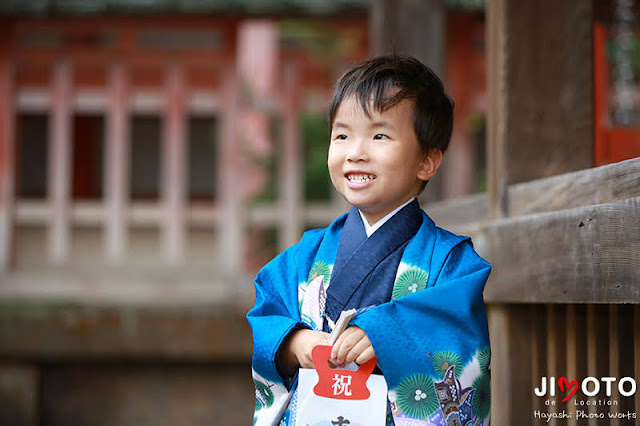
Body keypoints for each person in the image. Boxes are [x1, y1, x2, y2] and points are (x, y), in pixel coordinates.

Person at [247, 54, 492, 426]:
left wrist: (385, 335)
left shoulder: (451, 263)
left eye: (379, 135)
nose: (356, 152)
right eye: (342, 135)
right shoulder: (306, 255)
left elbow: (460, 341)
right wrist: (297, 344)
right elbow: (268, 314)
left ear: (426, 161)